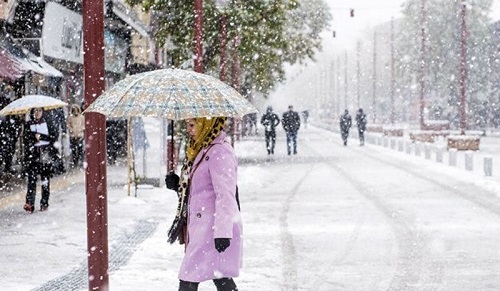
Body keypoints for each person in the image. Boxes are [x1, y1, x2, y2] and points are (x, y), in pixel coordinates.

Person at [164, 117, 242, 291]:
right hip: (203, 226)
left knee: (189, 279)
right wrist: (178, 185)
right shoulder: (201, 149)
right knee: (220, 278)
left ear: (206, 124)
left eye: (192, 125)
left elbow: (225, 194)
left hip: (214, 228)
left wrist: (222, 232)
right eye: (187, 125)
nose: (189, 130)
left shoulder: (220, 152)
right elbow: (201, 190)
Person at [23, 107, 56, 213]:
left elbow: (53, 137)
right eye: (35, 111)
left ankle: (44, 203)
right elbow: (25, 138)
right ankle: (29, 203)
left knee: (45, 181)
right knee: (31, 180)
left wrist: (41, 137)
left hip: (45, 155)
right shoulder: (28, 124)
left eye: (40, 111)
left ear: (43, 112)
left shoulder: (48, 123)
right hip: (33, 155)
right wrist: (34, 136)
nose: (37, 113)